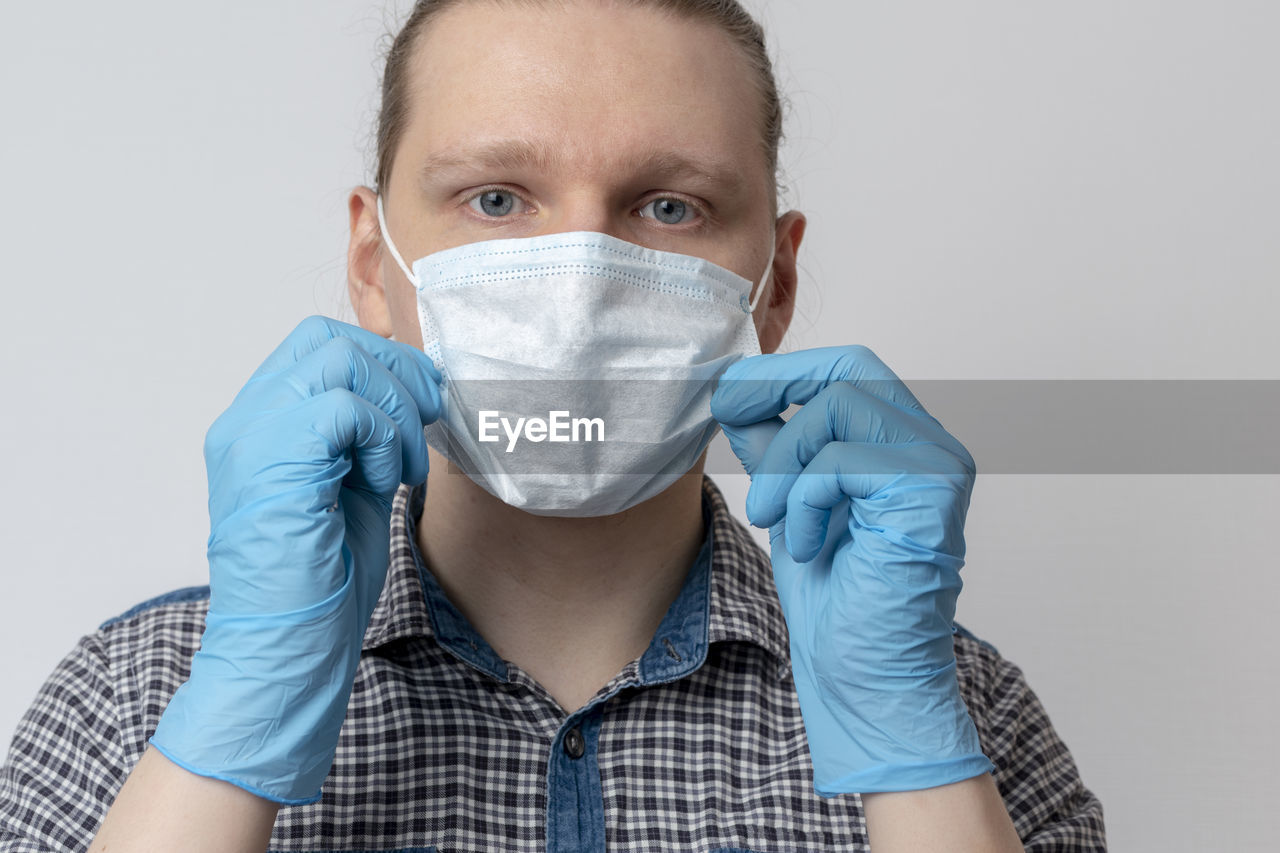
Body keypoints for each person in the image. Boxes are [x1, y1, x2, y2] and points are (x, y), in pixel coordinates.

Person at [0, 1, 1105, 851]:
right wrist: (236, 720)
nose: (579, 284)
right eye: (494, 198)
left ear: (772, 286)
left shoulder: (962, 713)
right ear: (369, 262)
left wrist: (910, 760)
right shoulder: (136, 691)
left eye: (667, 206)